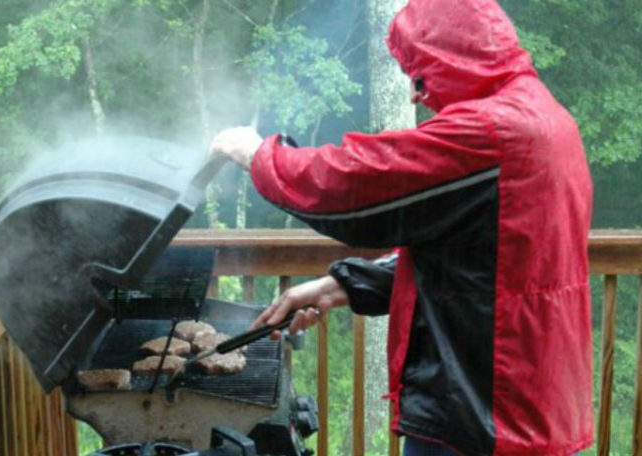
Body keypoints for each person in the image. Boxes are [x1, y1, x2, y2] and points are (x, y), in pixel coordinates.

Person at [208, 0, 593, 454]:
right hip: (522, 394)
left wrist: (258, 155)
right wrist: (343, 285)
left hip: (486, 411)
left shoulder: (494, 131)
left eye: (420, 76)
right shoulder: (543, 118)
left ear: (455, 59)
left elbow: (356, 186)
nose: (415, 94)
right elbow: (488, 261)